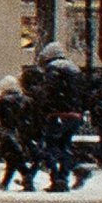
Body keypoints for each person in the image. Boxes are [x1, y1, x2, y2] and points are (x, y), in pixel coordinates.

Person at [32, 41, 89, 191]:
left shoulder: (53, 71)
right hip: (75, 115)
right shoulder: (75, 71)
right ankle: (63, 178)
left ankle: (66, 174)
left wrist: (41, 102)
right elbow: (85, 94)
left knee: (52, 147)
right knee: (64, 145)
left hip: (58, 114)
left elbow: (48, 93)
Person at [0, 74, 37, 191]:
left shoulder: (4, 101)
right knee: (14, 157)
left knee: (12, 157)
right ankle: (8, 182)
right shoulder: (25, 100)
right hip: (22, 133)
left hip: (7, 133)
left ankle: (26, 178)